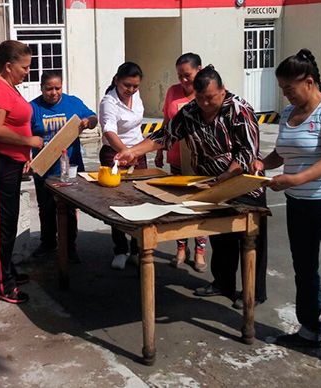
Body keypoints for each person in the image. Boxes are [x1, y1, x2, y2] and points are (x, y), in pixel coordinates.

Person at [114, 65, 268, 308]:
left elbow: (248, 154)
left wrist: (225, 177)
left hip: (242, 184)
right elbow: (164, 136)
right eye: (201, 98)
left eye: (210, 98)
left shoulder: (240, 110)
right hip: (210, 183)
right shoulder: (190, 112)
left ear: (223, 91)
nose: (205, 104)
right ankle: (222, 283)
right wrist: (131, 152)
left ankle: (254, 292)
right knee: (221, 236)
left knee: (250, 240)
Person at [256, 49, 321, 382]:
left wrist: (294, 179)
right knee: (304, 270)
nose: (285, 95)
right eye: (283, 89)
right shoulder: (289, 111)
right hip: (299, 205)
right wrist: (262, 164)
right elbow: (282, 152)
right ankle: (309, 330)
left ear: (310, 81)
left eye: (290, 88)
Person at [0, 40, 44, 304]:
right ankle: (0, 284)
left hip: (10, 162)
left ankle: (7, 271)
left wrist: (24, 156)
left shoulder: (9, 87)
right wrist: (29, 143)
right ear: (8, 66)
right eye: (24, 67)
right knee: (0, 222)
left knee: (9, 220)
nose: (27, 71)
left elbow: (14, 124)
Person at [30, 71, 98, 262]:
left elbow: (93, 118)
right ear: (41, 88)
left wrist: (88, 122)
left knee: (68, 209)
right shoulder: (33, 108)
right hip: (44, 168)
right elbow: (26, 136)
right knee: (46, 208)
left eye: (57, 88)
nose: (53, 92)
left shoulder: (73, 103)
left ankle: (70, 247)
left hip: (70, 169)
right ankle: (48, 243)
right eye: (49, 89)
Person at [154, 53, 208, 272]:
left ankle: (200, 251)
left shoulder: (207, 91)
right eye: (180, 76)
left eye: (188, 75)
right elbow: (167, 121)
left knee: (200, 206)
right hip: (176, 158)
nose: (184, 81)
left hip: (201, 161)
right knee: (179, 206)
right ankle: (181, 248)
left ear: (199, 70)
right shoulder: (173, 92)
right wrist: (159, 150)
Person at [98, 62, 147, 270]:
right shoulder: (108, 102)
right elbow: (109, 130)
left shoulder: (136, 96)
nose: (132, 90)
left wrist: (135, 153)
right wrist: (125, 153)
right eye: (127, 85)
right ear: (117, 80)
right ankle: (120, 249)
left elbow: (137, 124)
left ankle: (137, 248)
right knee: (117, 201)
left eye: (136, 86)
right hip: (114, 153)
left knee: (141, 199)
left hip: (137, 152)